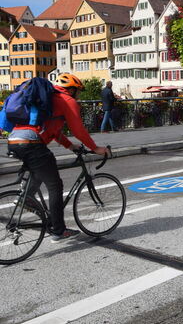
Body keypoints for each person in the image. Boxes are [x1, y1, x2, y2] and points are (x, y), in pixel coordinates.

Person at [8, 73, 110, 243]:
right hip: (31, 142)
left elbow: (54, 131)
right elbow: (79, 130)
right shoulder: (68, 101)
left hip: (14, 140)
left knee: (41, 170)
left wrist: (70, 146)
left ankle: (27, 199)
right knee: (55, 185)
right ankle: (58, 231)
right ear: (71, 89)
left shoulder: (47, 99)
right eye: (78, 91)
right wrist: (96, 148)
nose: (79, 95)